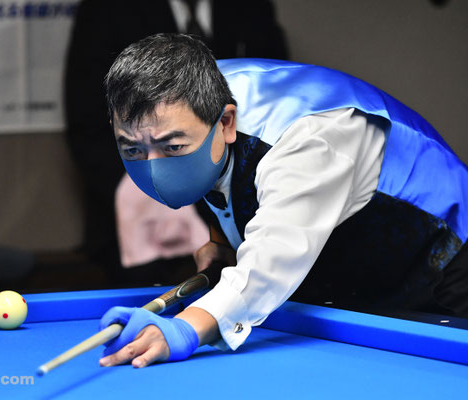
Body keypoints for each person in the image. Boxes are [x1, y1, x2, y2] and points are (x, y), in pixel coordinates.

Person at [97, 33, 468, 368]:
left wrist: (186, 328)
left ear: (226, 124)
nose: (154, 166)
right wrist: (223, 240)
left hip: (446, 252)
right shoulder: (173, 96)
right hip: (355, 260)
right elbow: (218, 174)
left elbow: (273, 255)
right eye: (132, 150)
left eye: (173, 147)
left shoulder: (307, 140)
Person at [64, 0, 288, 283]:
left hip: (237, 202)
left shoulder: (251, 6)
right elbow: (85, 122)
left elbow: (274, 97)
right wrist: (152, 187)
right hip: (138, 214)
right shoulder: (106, 8)